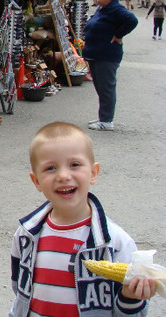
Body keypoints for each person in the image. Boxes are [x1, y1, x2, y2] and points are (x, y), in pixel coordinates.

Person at [9, 122, 156, 317]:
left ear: (93, 173)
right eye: (50, 168)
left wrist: (131, 298)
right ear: (36, 181)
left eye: (75, 165)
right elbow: (20, 292)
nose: (63, 175)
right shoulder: (26, 235)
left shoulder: (116, 243)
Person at [82, 0, 137, 131]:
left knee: (106, 87)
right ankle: (103, 116)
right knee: (100, 87)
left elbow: (133, 20)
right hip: (96, 54)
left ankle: (107, 121)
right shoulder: (103, 8)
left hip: (106, 55)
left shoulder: (116, 9)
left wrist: (118, 35)